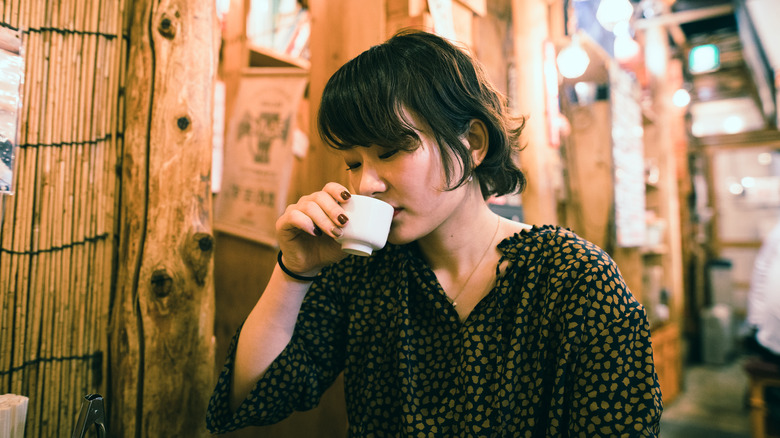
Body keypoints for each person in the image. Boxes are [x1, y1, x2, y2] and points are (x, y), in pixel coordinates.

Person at [207, 30, 662, 436]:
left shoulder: (574, 280)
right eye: (353, 162)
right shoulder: (363, 272)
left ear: (474, 143)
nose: (366, 183)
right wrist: (294, 271)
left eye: (391, 151)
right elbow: (254, 399)